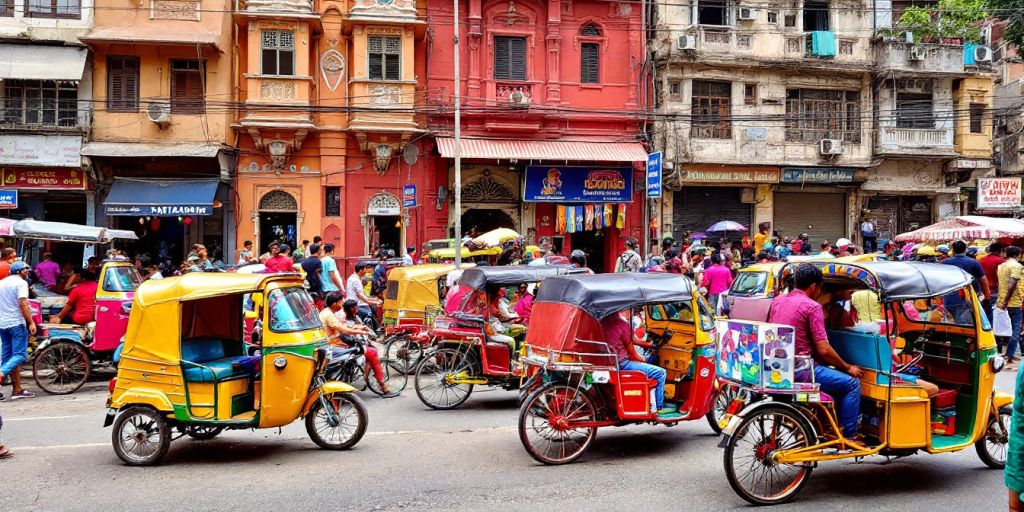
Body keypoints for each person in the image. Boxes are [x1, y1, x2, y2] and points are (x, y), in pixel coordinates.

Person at [768, 263, 862, 438]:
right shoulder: (812, 307)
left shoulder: (778, 301)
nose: (820, 292)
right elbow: (824, 349)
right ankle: (850, 436)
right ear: (813, 287)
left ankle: (825, 426)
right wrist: (848, 368)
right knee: (851, 383)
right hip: (801, 370)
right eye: (820, 288)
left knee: (833, 376)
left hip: (778, 366)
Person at [602, 308, 674, 418]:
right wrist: (645, 359)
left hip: (606, 362)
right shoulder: (622, 325)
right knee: (661, 373)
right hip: (622, 364)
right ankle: (660, 407)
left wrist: (647, 346)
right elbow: (634, 354)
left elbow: (632, 341)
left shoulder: (600, 323)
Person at [318, 293, 390, 395]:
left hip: (335, 342)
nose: (342, 304)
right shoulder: (329, 315)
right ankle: (382, 384)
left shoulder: (327, 312)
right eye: (340, 302)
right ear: (335, 303)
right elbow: (344, 330)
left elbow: (343, 326)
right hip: (335, 344)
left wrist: (359, 328)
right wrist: (362, 332)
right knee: (372, 353)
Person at [0, 262, 37, 401]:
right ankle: (2, 372)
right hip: (16, 323)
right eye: (26, 270)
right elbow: (23, 303)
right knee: (20, 355)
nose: (27, 272)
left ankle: (17, 389)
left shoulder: (1, 283)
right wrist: (31, 322)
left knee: (7, 356)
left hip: (2, 324)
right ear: (21, 271)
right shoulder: (21, 284)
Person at [340, 299, 390, 394]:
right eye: (356, 307)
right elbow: (350, 330)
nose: (357, 308)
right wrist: (363, 330)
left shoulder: (356, 317)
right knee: (373, 354)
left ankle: (367, 377)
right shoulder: (346, 321)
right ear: (351, 309)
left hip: (359, 343)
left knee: (373, 351)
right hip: (352, 346)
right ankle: (382, 384)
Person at [942, 240, 990, 325]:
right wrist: (987, 296)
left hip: (949, 298)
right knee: (965, 325)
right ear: (966, 250)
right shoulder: (973, 262)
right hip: (967, 299)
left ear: (953, 250)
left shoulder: (945, 262)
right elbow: (983, 280)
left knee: (951, 325)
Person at [998, 247, 1024, 368]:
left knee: (1004, 327)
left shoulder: (1001, 266)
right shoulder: (1017, 266)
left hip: (1002, 301)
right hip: (1014, 302)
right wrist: (1007, 300)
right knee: (1016, 329)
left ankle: (1007, 353)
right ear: (1018, 254)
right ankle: (1009, 355)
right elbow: (1012, 283)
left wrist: (1003, 301)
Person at [980, 242, 1006, 352]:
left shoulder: (981, 260)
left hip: (983, 293)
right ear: (1000, 250)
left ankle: (987, 340)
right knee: (997, 319)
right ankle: (996, 343)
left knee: (985, 318)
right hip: (995, 292)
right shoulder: (1000, 261)